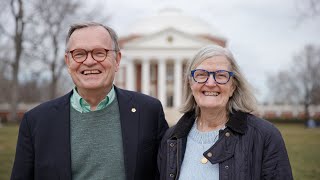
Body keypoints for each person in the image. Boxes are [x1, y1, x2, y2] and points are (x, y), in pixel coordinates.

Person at [11, 22, 169, 180]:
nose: (89, 61)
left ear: (117, 59)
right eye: (79, 54)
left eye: (100, 52)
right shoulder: (36, 121)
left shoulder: (149, 112)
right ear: (68, 61)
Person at [157, 45, 293, 180]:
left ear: (233, 86)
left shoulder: (264, 136)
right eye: (201, 74)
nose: (210, 83)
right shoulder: (171, 139)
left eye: (221, 75)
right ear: (191, 84)